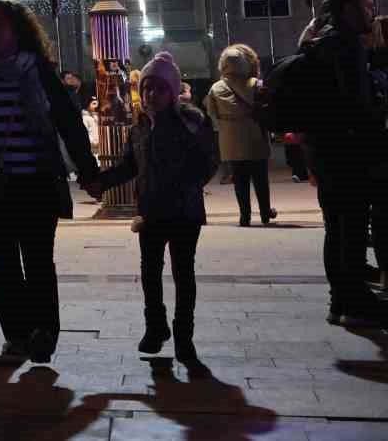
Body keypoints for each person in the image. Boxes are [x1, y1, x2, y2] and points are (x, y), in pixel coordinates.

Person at [0, 0, 98, 364]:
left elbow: (68, 122)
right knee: (3, 264)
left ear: (17, 31)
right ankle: (16, 336)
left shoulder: (40, 72)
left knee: (38, 261)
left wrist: (88, 170)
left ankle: (44, 333)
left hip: (36, 183)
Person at [90, 53, 218, 372]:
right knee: (149, 273)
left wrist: (185, 186)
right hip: (149, 212)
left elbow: (208, 162)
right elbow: (129, 166)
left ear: (172, 92)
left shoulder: (191, 123)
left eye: (158, 89)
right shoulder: (140, 127)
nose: (151, 95)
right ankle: (156, 326)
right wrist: (101, 182)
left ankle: (184, 337)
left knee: (183, 274)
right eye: (147, 89)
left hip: (184, 213)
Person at [300, 0, 388, 327]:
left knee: (334, 228)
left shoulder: (319, 44)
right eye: (368, 5)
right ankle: (355, 302)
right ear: (348, 9)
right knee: (350, 229)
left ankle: (339, 301)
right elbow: (357, 105)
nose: (371, 11)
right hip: (349, 153)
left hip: (325, 151)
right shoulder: (347, 46)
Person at [204, 44, 277, 228]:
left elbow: (212, 114)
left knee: (240, 181)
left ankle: (245, 217)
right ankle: (265, 213)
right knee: (261, 180)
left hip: (231, 142)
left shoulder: (216, 88)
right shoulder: (256, 84)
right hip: (256, 140)